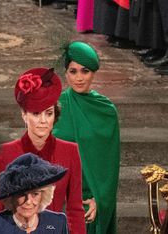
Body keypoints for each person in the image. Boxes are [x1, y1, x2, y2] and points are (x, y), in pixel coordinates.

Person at [0, 67, 85, 233]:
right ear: (24, 115)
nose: (43, 121)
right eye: (36, 113)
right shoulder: (6, 153)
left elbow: (75, 210)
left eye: (49, 113)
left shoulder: (70, 152)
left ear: (55, 115)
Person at [53, 41, 120, 234]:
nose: (79, 78)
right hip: (59, 195)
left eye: (85, 71)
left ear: (93, 73)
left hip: (91, 197)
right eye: (73, 71)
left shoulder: (106, 111)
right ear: (65, 73)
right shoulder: (56, 106)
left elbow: (110, 166)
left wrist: (99, 199)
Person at [0, 153, 69, 234]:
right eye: (21, 194)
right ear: (11, 197)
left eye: (35, 194)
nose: (28, 201)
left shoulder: (58, 222)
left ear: (44, 195)